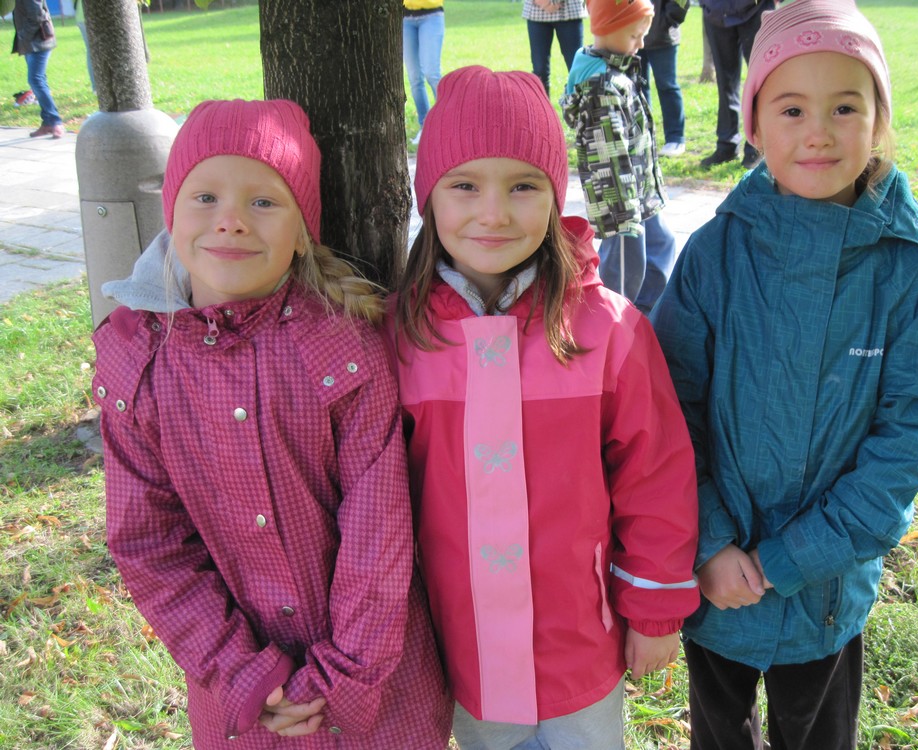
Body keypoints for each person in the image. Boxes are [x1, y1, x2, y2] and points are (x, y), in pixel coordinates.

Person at [651, 2, 918, 748]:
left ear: (879, 121)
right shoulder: (716, 254)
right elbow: (667, 407)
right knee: (719, 732)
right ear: (755, 125)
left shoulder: (907, 268)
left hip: (827, 591)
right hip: (717, 584)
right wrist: (710, 542)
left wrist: (795, 558)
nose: (819, 132)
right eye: (792, 109)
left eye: (845, 108)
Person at [92, 99, 452, 749]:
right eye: (205, 197)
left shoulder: (343, 348)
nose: (230, 220)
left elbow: (378, 532)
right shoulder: (135, 362)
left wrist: (344, 676)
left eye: (263, 202)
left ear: (303, 232)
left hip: (378, 689)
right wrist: (241, 674)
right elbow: (150, 543)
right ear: (171, 212)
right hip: (239, 702)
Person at [390, 65, 700, 749]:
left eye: (523, 186)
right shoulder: (401, 337)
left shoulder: (609, 330)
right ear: (428, 196)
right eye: (464, 186)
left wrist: (653, 605)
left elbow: (655, 475)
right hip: (462, 646)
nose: (494, 213)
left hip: (580, 642)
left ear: (556, 197)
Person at [562, 0, 677, 314]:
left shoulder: (618, 70)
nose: (641, 44)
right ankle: (614, 321)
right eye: (634, 36)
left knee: (662, 244)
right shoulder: (601, 87)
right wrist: (623, 214)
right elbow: (607, 156)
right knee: (625, 268)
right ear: (608, 29)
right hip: (621, 201)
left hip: (639, 190)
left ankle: (646, 314)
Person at [698, 0, 774, 169]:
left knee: (761, 82)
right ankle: (727, 145)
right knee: (725, 83)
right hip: (716, 12)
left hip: (755, 10)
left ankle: (756, 147)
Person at [638, 0, 689, 158]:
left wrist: (668, 19)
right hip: (633, 34)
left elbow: (680, 4)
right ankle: (643, 136)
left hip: (663, 34)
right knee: (637, 88)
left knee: (667, 86)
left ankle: (675, 138)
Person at [12, 0, 63, 139]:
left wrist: (23, 36)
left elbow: (36, 15)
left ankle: (55, 122)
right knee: (39, 80)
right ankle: (47, 123)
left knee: (35, 79)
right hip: (32, 42)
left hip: (39, 40)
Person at [522, 0, 587, 97]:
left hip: (570, 11)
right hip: (536, 12)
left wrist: (554, 2)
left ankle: (582, 105)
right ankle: (542, 106)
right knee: (540, 70)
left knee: (576, 68)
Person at [402, 0, 444, 145]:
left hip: (431, 16)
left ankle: (446, 123)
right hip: (405, 18)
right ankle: (425, 128)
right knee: (414, 78)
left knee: (432, 73)